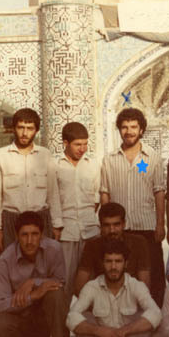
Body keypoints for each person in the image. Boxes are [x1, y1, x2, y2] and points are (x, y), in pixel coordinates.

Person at [100, 108, 165, 305]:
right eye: (124, 127)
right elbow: (105, 192)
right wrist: (106, 226)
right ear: (119, 130)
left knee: (152, 277)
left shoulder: (152, 158)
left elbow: (159, 191)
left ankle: (153, 315)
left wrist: (160, 224)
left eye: (133, 127)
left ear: (141, 130)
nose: (129, 131)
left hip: (146, 227)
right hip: (119, 230)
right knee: (121, 276)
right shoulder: (110, 159)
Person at [0, 211, 69, 337]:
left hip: (46, 317)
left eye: (35, 234)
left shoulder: (54, 249)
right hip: (21, 317)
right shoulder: (6, 259)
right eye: (24, 235)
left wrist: (34, 282)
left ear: (42, 235)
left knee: (56, 293)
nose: (29, 241)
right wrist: (31, 297)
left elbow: (60, 282)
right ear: (16, 236)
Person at [66, 239, 162, 337]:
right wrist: (99, 331)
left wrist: (125, 330)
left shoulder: (136, 285)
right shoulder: (92, 286)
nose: (113, 267)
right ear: (103, 263)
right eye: (108, 261)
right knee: (84, 318)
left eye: (118, 261)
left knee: (143, 321)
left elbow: (156, 313)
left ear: (126, 263)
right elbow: (71, 316)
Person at [0, 108, 56, 253]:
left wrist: (57, 224)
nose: (25, 133)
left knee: (43, 263)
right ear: (14, 128)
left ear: (36, 130)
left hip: (40, 220)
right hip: (11, 222)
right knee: (11, 263)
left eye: (30, 128)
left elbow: (53, 193)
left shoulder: (45, 155)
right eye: (21, 127)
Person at [48, 122, 101, 301]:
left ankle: (88, 319)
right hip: (66, 233)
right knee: (64, 282)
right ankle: (62, 319)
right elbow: (53, 198)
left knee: (91, 283)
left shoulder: (93, 165)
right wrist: (57, 226)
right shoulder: (55, 166)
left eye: (85, 144)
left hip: (90, 232)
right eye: (78, 144)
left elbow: (96, 197)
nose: (82, 149)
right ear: (65, 143)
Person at [74, 202, 151, 295]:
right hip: (102, 297)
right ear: (100, 226)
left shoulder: (138, 242)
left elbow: (144, 284)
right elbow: (79, 286)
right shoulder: (92, 245)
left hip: (131, 297)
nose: (112, 230)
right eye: (106, 225)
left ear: (124, 224)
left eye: (116, 224)